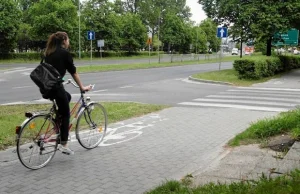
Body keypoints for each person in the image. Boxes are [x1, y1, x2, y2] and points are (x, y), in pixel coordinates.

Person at [44, 31, 91, 155]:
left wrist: (61, 80)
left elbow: (51, 70)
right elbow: (73, 72)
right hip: (55, 87)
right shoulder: (65, 53)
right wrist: (82, 87)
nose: (69, 41)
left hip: (46, 87)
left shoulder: (48, 52)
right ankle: (64, 144)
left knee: (67, 97)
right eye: (68, 39)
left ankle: (56, 123)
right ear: (64, 40)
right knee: (66, 115)